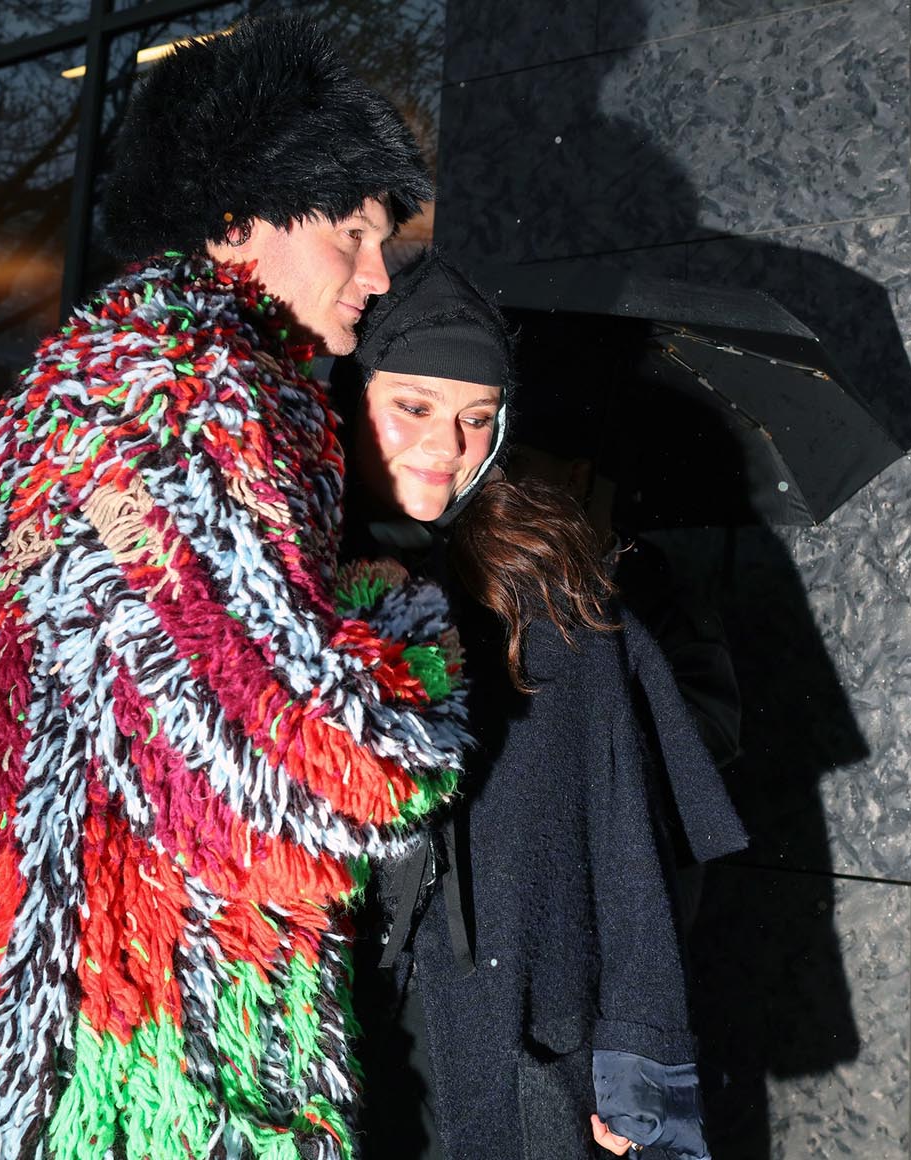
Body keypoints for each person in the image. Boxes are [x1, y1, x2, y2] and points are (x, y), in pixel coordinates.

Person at [0, 18, 471, 1160]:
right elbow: (327, 758)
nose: (377, 277)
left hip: (32, 985)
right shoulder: (189, 391)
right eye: (350, 234)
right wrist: (402, 618)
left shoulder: (101, 378)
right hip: (135, 1032)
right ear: (237, 224)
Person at [326, 250, 747, 1160]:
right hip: (317, 1033)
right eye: (414, 408)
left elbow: (630, 842)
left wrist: (635, 1063)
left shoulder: (547, 591)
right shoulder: (265, 573)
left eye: (477, 418)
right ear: (349, 397)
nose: (447, 448)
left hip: (507, 1039)